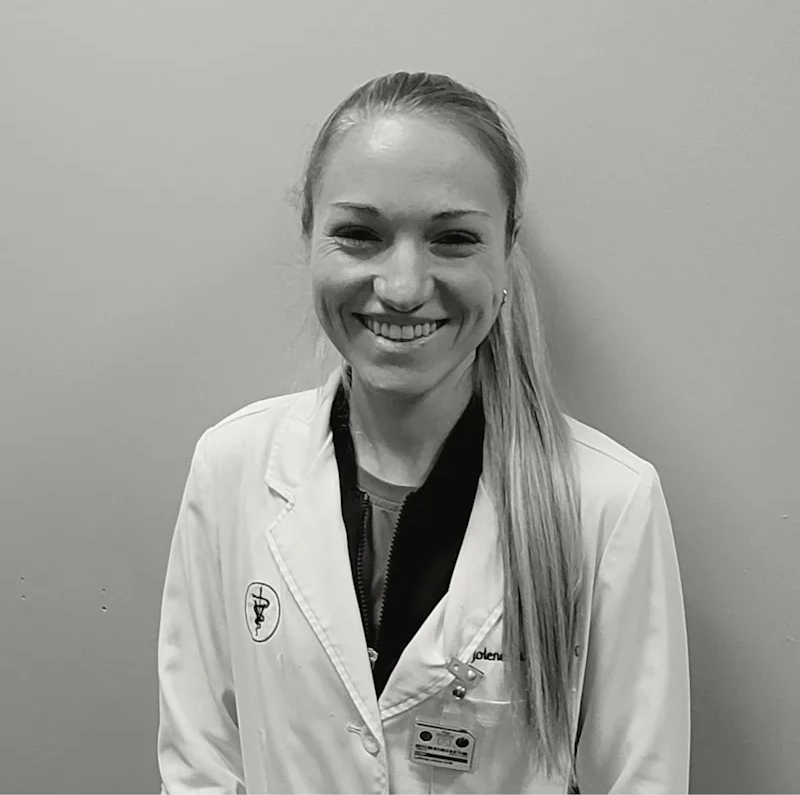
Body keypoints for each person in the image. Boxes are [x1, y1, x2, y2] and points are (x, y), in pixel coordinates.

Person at [157, 71, 690, 794]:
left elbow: (639, 782)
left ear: (506, 250)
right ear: (309, 234)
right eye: (360, 234)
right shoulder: (232, 467)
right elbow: (200, 764)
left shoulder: (607, 502)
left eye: (452, 238)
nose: (403, 286)